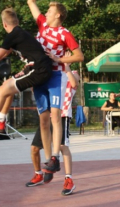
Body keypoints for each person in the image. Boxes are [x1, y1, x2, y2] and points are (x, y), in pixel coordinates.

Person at [27, 0, 84, 176]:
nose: (46, 11)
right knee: (43, 119)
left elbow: (79, 56)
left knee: (55, 115)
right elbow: (30, 1)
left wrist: (58, 58)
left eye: (50, 10)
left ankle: (55, 158)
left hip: (55, 76)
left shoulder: (64, 33)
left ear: (58, 15)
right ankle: (48, 161)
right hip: (39, 76)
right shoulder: (42, 25)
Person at [0, 8, 53, 142]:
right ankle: (0, 121)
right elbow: (4, 53)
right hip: (36, 67)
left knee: (1, 91)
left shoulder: (13, 35)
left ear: (4, 24)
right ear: (16, 21)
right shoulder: (20, 33)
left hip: (38, 69)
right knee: (7, 85)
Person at [26, 67, 80, 196]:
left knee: (62, 146)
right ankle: (38, 174)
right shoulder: (50, 73)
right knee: (34, 148)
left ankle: (69, 179)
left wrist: (66, 68)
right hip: (47, 117)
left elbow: (75, 84)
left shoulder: (73, 73)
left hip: (62, 115)